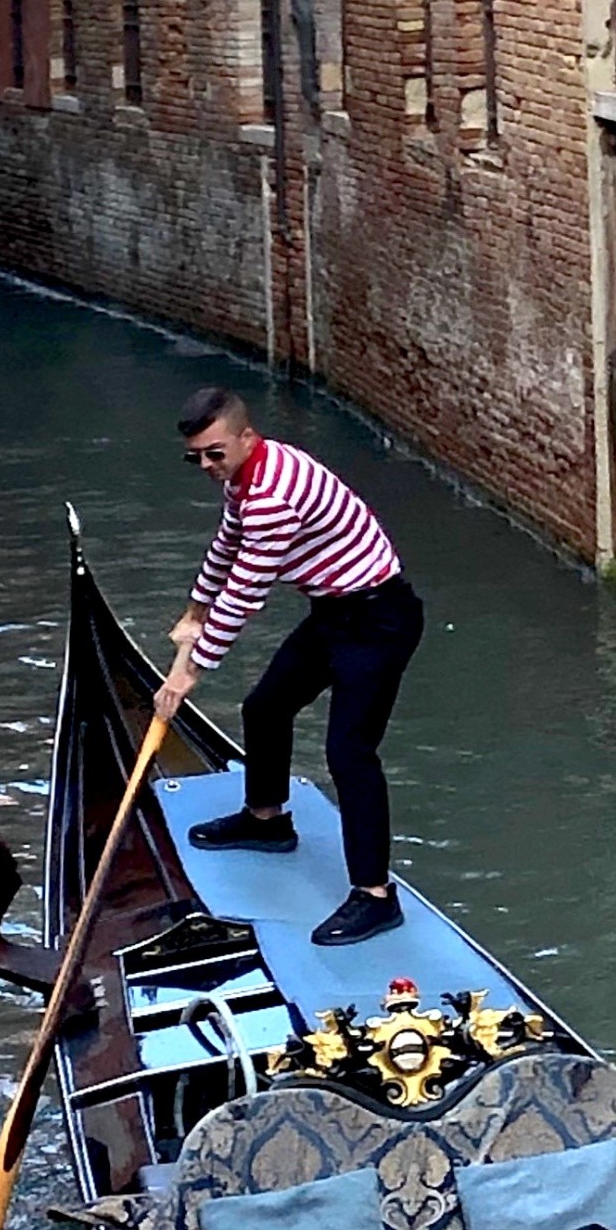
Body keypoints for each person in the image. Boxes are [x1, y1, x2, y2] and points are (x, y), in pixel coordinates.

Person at [157, 385, 424, 948]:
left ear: (246, 437)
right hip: (335, 612)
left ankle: (376, 898)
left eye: (215, 453)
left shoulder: (273, 497)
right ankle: (267, 819)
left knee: (349, 752)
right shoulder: (245, 478)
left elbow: (245, 594)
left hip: (379, 620)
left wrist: (187, 676)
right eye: (197, 457)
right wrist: (193, 609)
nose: (207, 466)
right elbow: (225, 548)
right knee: (266, 706)